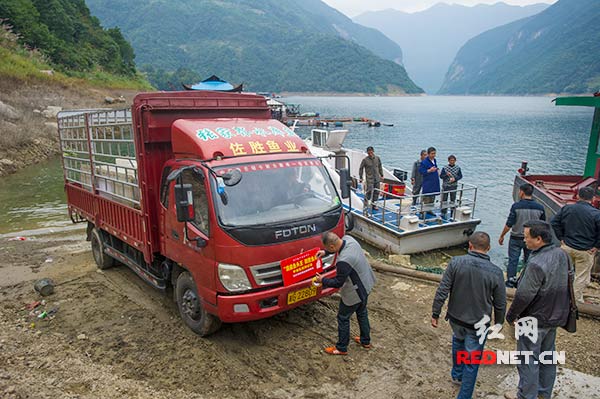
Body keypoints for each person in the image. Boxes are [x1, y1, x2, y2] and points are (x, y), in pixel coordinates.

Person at [431, 232, 506, 399]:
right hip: (478, 324)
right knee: (472, 362)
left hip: (456, 317)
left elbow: (443, 289)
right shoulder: (496, 272)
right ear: (488, 248)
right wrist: (498, 323)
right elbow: (500, 303)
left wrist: (435, 313)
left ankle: (457, 374)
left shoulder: (456, 262)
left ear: (470, 246)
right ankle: (464, 395)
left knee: (458, 340)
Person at [504, 221, 570, 399]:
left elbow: (524, 295)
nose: (524, 240)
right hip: (555, 314)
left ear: (539, 239)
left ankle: (526, 395)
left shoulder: (536, 263)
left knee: (527, 360)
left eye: (527, 237)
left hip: (533, 318)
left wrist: (511, 316)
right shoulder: (562, 254)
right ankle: (543, 392)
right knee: (548, 356)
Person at [314, 232, 376, 355]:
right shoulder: (349, 239)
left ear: (332, 246)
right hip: (367, 283)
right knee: (362, 312)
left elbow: (338, 283)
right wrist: (325, 253)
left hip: (355, 292)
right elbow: (337, 248)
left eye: (327, 248)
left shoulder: (343, 261)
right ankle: (365, 340)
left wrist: (322, 280)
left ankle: (341, 347)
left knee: (343, 318)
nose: (327, 250)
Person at [550, 186, 600, 303]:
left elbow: (554, 222)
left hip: (567, 246)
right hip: (585, 250)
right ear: (593, 198)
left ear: (577, 196)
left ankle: (556, 297)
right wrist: (596, 246)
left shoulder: (567, 208)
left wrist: (561, 238)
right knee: (581, 277)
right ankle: (575, 301)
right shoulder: (596, 214)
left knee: (562, 273)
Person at [498, 183, 546, 288]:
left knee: (513, 260)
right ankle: (526, 281)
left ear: (522, 192)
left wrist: (502, 236)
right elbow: (543, 225)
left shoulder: (516, 206)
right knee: (530, 260)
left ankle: (510, 282)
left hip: (516, 237)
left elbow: (509, 224)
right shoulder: (540, 207)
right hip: (533, 239)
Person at [359, 146, 384, 211]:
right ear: (367, 152)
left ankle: (374, 205)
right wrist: (360, 177)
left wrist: (382, 175)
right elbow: (361, 168)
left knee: (377, 192)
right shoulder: (365, 160)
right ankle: (365, 204)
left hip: (377, 178)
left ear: (373, 151)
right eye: (368, 152)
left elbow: (380, 167)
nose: (370, 153)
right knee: (369, 192)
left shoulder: (377, 158)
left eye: (371, 152)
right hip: (369, 179)